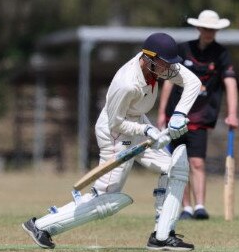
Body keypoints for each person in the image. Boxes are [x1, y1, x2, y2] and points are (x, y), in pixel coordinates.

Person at [22, 33, 201, 250]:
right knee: (107, 200)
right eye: (164, 64)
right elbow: (116, 123)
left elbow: (193, 81)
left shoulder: (158, 65)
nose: (169, 69)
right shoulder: (127, 83)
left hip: (137, 124)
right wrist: (146, 129)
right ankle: (41, 226)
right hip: (115, 134)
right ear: (148, 58)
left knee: (175, 168)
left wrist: (180, 113)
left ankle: (162, 236)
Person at [158, 10, 239, 220]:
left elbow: (230, 82)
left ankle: (200, 206)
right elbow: (168, 81)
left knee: (197, 162)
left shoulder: (222, 53)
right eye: (205, 28)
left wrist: (232, 114)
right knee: (179, 163)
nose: (209, 32)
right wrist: (161, 113)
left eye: (213, 29)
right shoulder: (183, 49)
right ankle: (185, 207)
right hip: (177, 117)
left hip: (201, 117)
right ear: (198, 28)